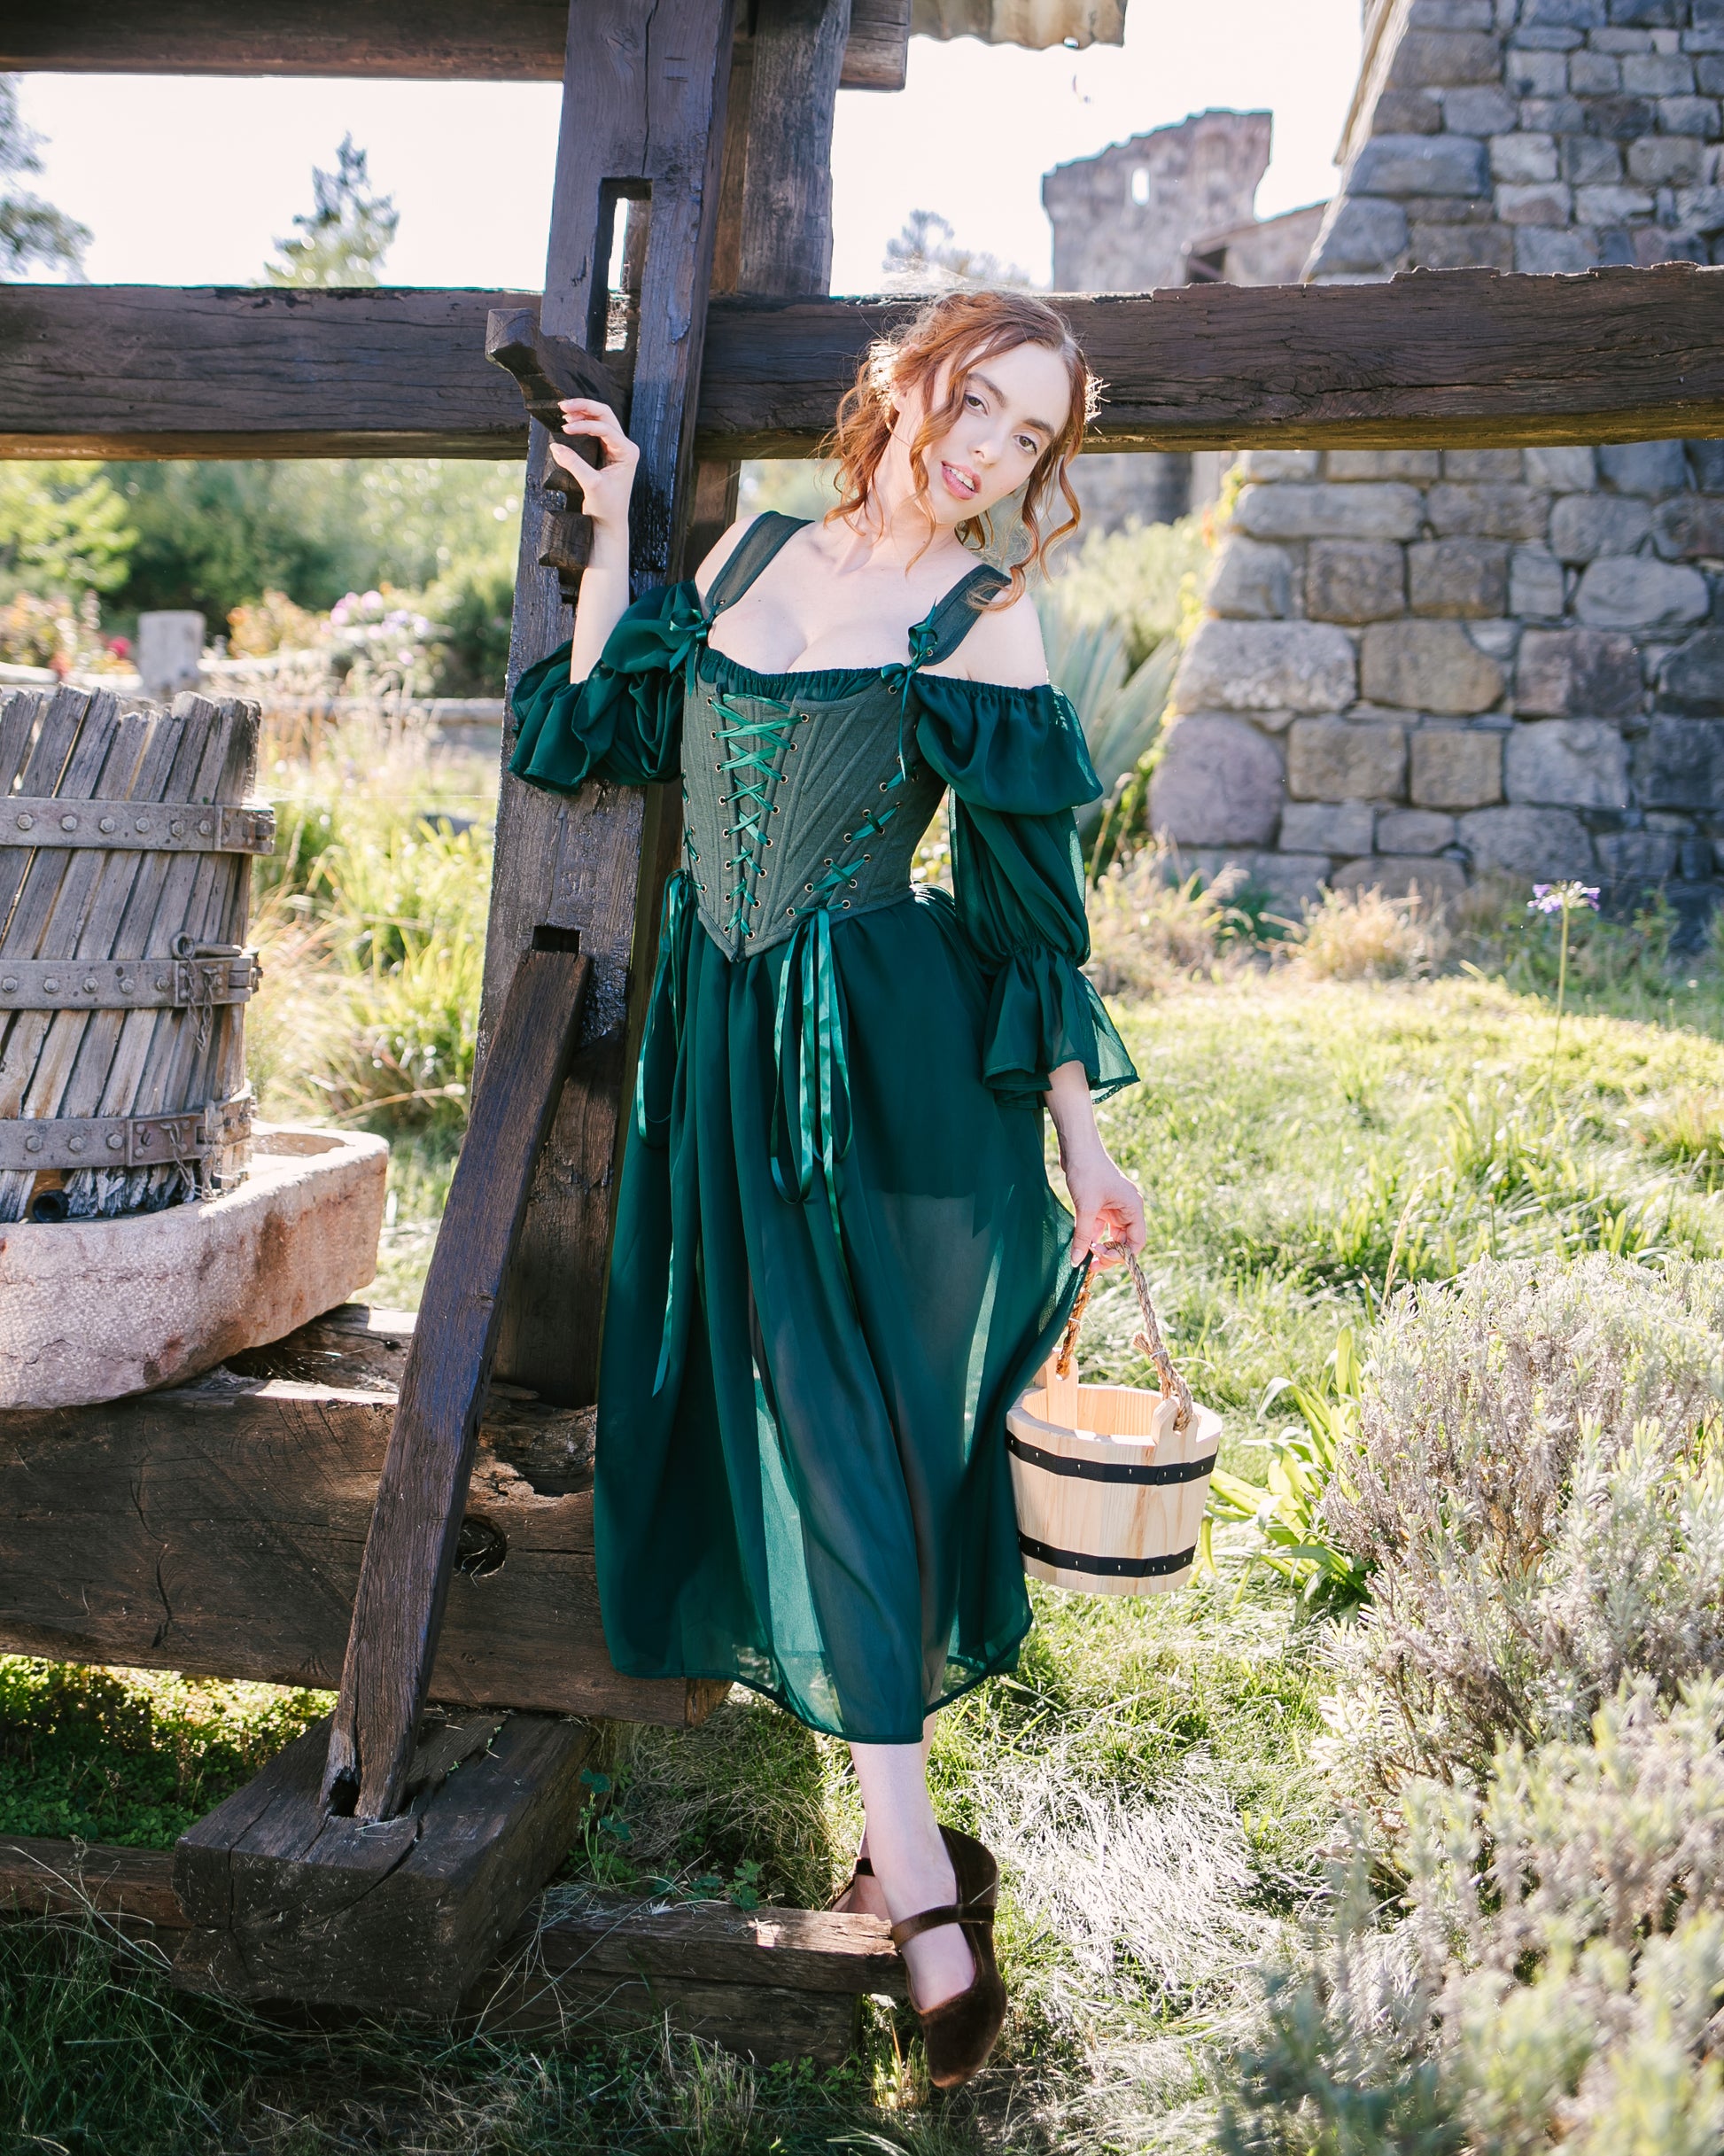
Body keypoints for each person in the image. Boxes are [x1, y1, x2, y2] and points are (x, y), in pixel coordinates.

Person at [509, 288, 1147, 2088]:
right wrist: (622, 523)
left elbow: (1034, 930)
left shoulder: (984, 624)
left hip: (880, 1060)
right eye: (980, 403)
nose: (990, 452)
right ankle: (901, 1854)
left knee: (848, 1429)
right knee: (791, 1404)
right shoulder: (743, 555)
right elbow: (597, 730)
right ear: (911, 380)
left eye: (1032, 439)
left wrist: (1093, 1158)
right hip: (715, 1050)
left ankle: (921, 1880)